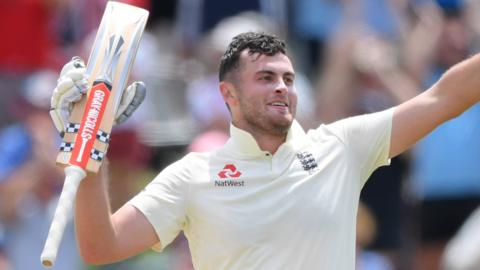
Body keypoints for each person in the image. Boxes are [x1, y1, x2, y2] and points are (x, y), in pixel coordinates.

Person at [51, 32, 480, 269]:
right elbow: (99, 247)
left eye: (289, 78)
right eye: (265, 77)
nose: (281, 87)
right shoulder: (193, 173)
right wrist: (90, 142)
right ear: (228, 94)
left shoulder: (341, 145)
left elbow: (441, 98)